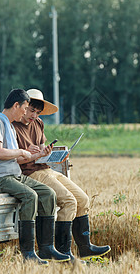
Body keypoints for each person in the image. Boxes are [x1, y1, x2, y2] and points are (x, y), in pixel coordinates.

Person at [12, 88, 111, 261]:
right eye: (31, 110)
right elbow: (11, 156)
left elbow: (41, 146)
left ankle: (85, 247)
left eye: (38, 112)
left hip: (46, 169)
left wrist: (46, 151)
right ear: (23, 106)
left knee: (83, 200)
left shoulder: (39, 123)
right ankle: (63, 251)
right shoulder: (12, 126)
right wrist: (26, 152)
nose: (34, 115)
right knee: (68, 201)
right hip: (30, 173)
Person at [0, 89, 70, 264]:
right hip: (0, 176)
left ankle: (47, 248)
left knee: (49, 194)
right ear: (16, 105)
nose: (26, 113)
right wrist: (21, 151)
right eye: (25, 108)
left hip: (14, 174)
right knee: (30, 196)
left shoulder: (8, 124)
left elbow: (17, 157)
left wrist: (36, 156)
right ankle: (28, 253)